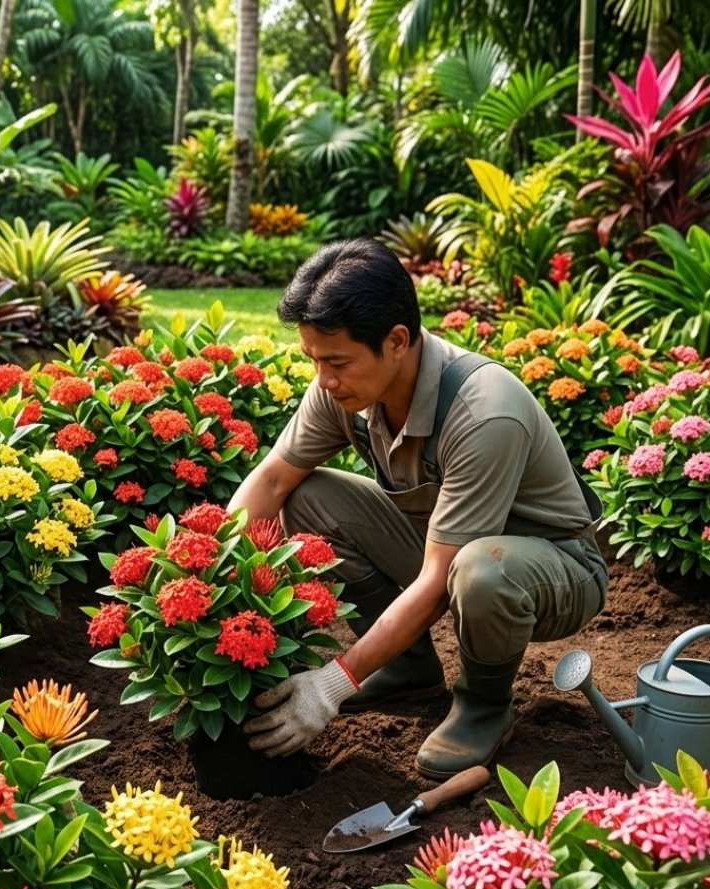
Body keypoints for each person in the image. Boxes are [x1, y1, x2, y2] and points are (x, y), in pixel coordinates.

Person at [227, 237, 608, 778]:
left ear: (398, 340)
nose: (324, 380)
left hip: (555, 570)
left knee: (480, 571)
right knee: (308, 497)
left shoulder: (484, 412)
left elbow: (437, 581)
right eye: (314, 360)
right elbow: (271, 479)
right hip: (445, 548)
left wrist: (332, 684)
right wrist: (214, 574)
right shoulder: (344, 388)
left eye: (336, 362)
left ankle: (483, 706)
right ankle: (408, 669)